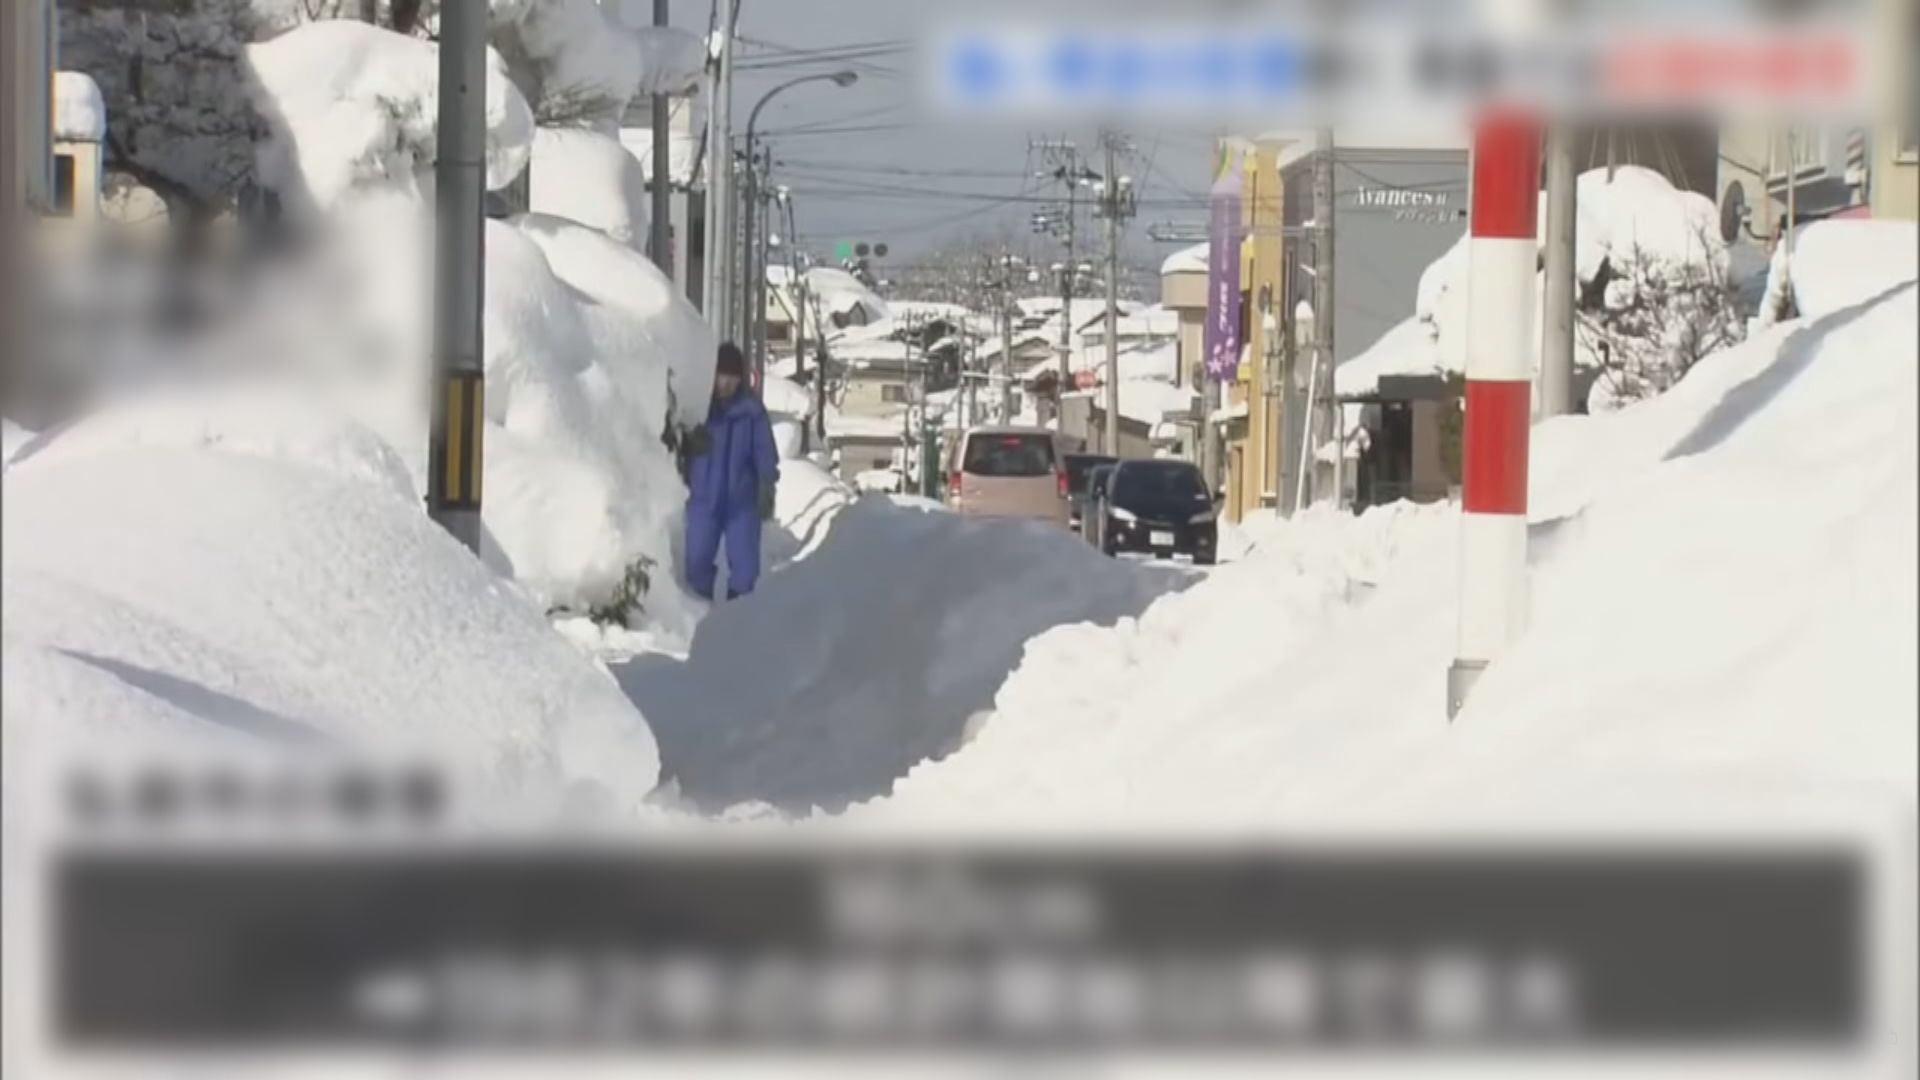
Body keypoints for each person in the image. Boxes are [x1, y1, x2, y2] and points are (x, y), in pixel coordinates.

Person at [684, 342, 779, 601]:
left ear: (740, 379)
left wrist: (767, 484)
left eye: (732, 377)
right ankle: (699, 616)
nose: (725, 383)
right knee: (696, 563)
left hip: (742, 502)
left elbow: (765, 452)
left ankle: (736, 621)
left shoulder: (752, 412)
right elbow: (680, 448)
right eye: (720, 376)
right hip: (703, 499)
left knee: (745, 569)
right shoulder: (699, 410)